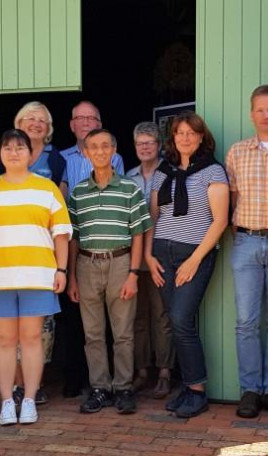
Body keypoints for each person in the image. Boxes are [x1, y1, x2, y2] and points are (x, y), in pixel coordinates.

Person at [0, 129, 71, 425]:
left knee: (33, 338)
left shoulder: (47, 188)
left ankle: (29, 398)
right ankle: (6, 402)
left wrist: (61, 270)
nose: (14, 152)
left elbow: (61, 234)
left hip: (38, 275)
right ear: (0, 153)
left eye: (20, 147)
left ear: (30, 152)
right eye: (8, 147)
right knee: (4, 339)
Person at [145, 112, 229, 418]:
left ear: (201, 136)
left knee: (181, 319)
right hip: (163, 255)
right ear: (173, 138)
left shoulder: (213, 171)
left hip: (195, 254)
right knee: (175, 321)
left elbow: (220, 221)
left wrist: (195, 260)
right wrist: (148, 256)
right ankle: (188, 385)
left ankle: (197, 391)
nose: (185, 137)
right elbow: (153, 217)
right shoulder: (162, 172)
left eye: (191, 132)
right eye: (179, 132)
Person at [68, 128, 152, 415]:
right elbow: (74, 237)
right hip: (87, 264)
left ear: (115, 151)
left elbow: (139, 232)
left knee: (123, 333)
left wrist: (133, 273)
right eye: (94, 147)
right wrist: (71, 277)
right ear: (87, 153)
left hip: (120, 262)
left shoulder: (129, 188)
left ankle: (123, 388)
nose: (101, 151)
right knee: (93, 334)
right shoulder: (78, 192)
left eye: (106, 146)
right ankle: (100, 388)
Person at [225, 85, 268, 420]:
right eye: (259, 110)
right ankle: (250, 390)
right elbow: (232, 200)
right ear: (251, 113)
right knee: (246, 321)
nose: (266, 115)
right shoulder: (237, 152)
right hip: (247, 243)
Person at [126, 122, 174, 399]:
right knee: (137, 316)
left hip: (161, 254)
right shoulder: (128, 177)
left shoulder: (170, 174)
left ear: (159, 146)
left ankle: (165, 370)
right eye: (140, 143)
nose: (144, 147)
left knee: (161, 314)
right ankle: (141, 370)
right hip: (133, 255)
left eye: (150, 142)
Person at [61, 101, 124, 192]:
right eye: (79, 118)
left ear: (99, 125)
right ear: (72, 125)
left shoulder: (114, 158)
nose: (85, 123)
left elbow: (117, 193)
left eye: (91, 118)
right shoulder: (61, 158)